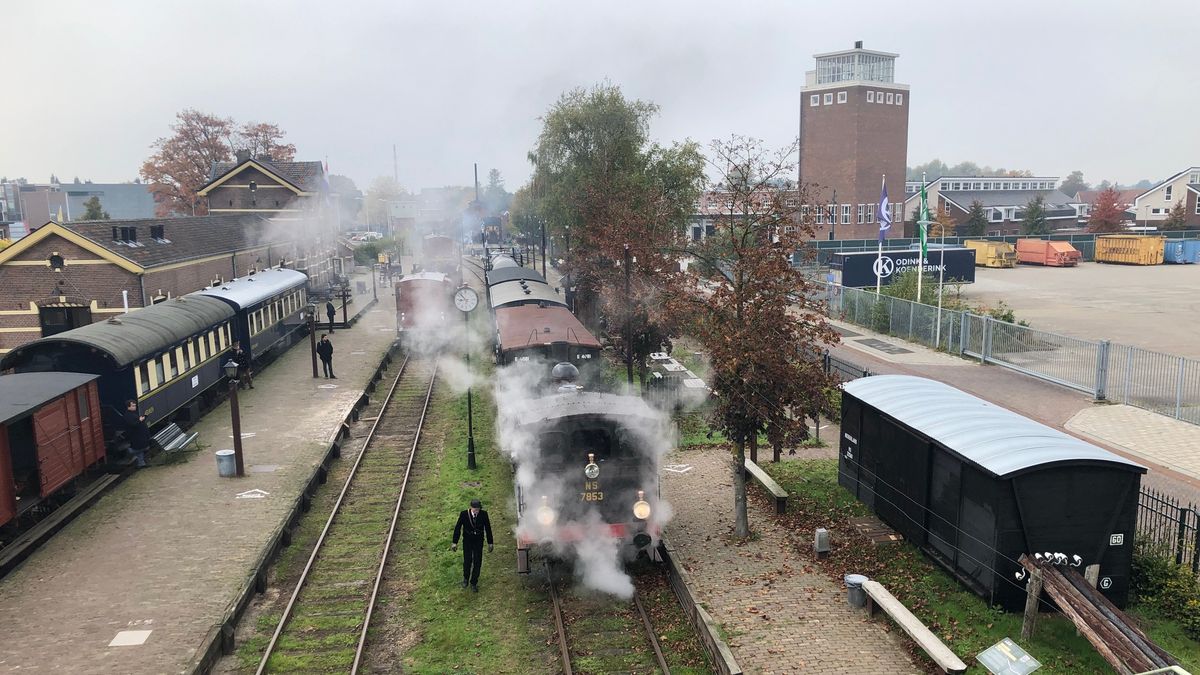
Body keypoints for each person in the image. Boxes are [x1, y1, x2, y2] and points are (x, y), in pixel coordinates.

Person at [451, 498, 493, 592]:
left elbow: (488, 528)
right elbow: (458, 528)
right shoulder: (464, 514)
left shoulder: (484, 514)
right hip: (468, 541)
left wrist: (490, 542)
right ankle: (465, 578)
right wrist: (454, 542)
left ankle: (474, 582)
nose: (477, 511)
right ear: (471, 508)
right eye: (475, 509)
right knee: (467, 560)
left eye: (478, 509)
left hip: (478, 541)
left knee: (478, 562)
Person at [123, 399, 151, 468]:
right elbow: (133, 424)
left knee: (140, 451)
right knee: (142, 448)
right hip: (136, 436)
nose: (134, 407)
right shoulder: (128, 415)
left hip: (139, 435)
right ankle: (129, 451)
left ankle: (141, 464)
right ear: (128, 407)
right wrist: (140, 420)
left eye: (135, 405)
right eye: (133, 406)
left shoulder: (133, 414)